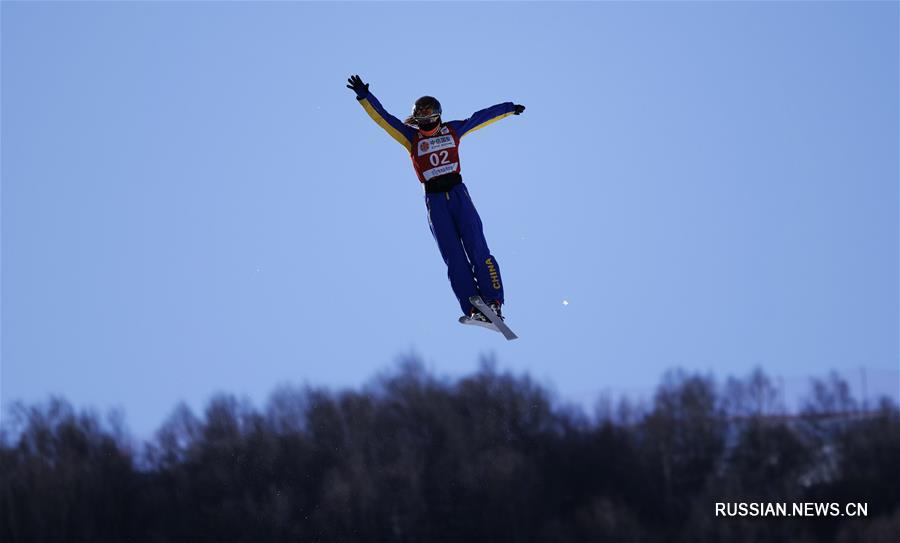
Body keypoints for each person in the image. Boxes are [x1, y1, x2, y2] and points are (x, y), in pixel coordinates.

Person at [346, 74, 525, 326]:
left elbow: (480, 118)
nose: (426, 123)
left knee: (477, 245)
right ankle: (473, 307)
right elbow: (385, 119)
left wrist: (508, 109)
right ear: (417, 120)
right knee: (453, 255)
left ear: (438, 115)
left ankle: (493, 300)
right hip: (435, 201)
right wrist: (365, 97)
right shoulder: (411, 137)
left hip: (458, 194)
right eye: (422, 118)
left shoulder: (452, 130)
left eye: (430, 117)